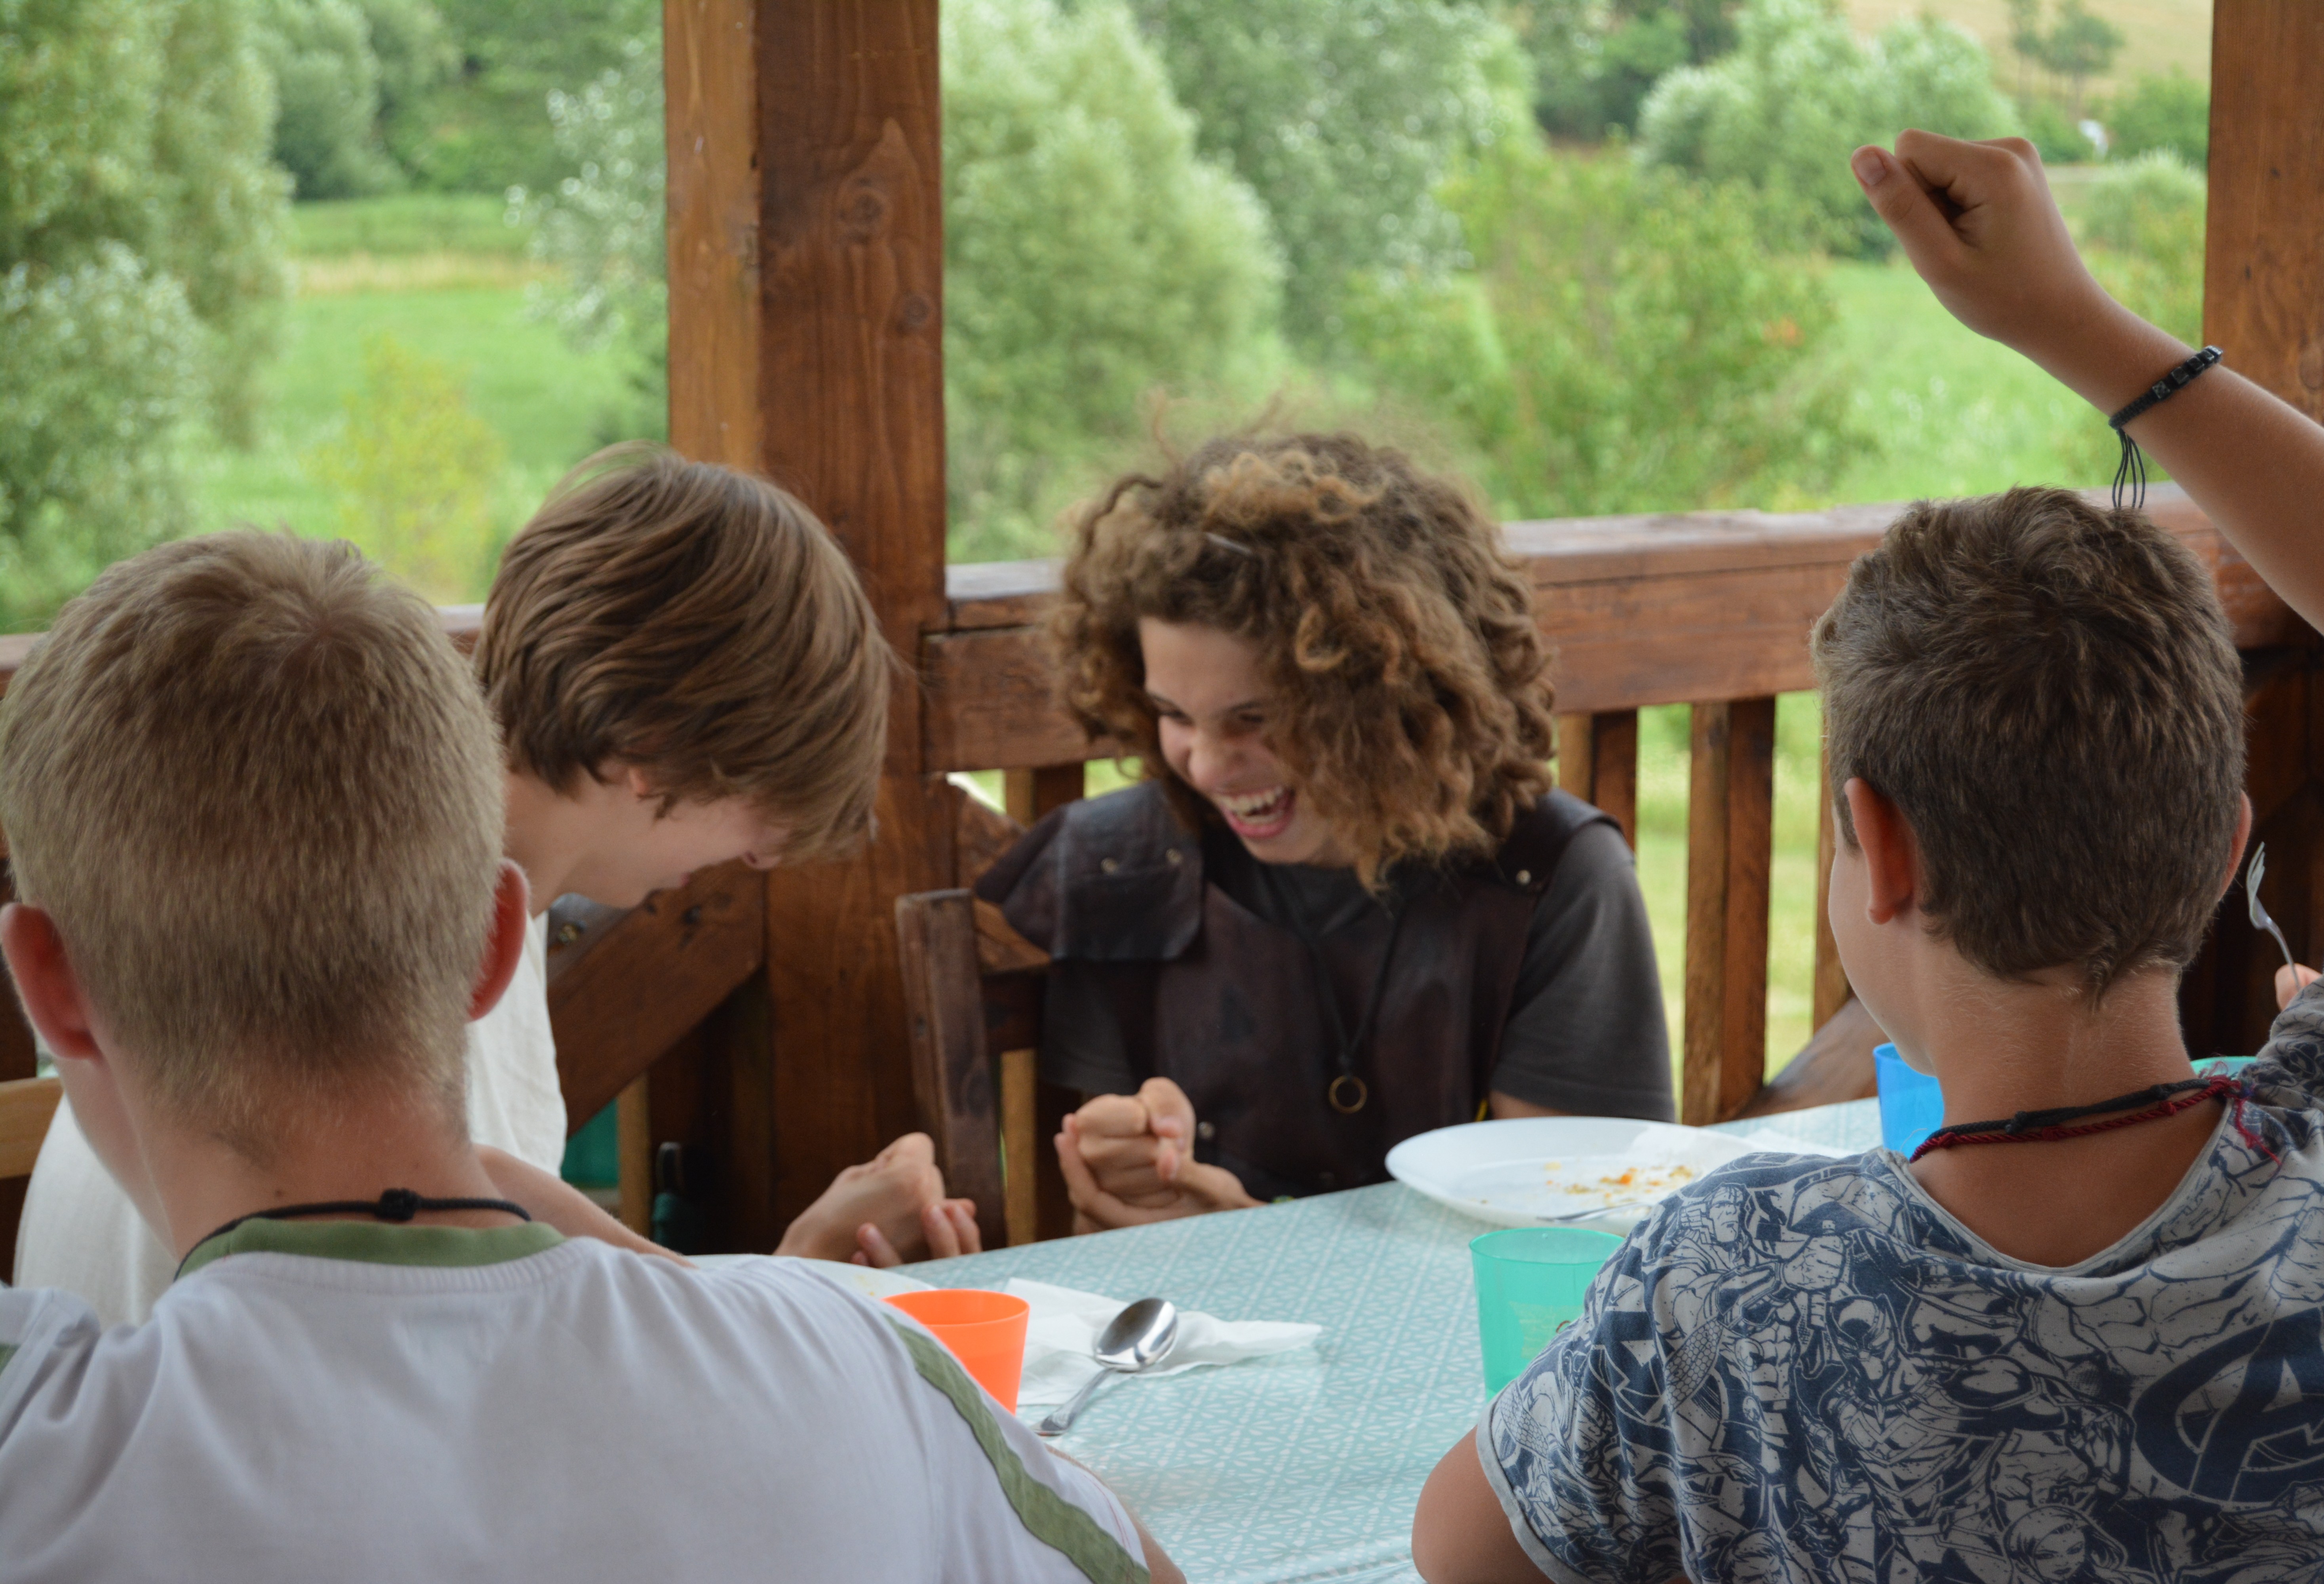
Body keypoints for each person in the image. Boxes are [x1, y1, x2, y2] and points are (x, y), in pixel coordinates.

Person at [1411, 129, 2324, 1583]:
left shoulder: (1725, 1286)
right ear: (2219, 847)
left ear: (1878, 847)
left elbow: (1462, 1554)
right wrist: (2079, 325)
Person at [0, 533, 1176, 1583]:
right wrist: (779, 1310)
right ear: (496, 942)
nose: (763, 863)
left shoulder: (53, 1445)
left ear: (50, 987)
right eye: (760, 815)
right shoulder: (860, 1374)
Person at [14, 447, 977, 1326]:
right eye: (764, 806)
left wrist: (791, 1268)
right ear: (651, 753)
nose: (764, 857)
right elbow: (485, 1365)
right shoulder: (412, 963)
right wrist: (804, 1286)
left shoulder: (340, 882)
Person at [975, 433, 1672, 1229]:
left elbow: (1572, 1241)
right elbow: (1100, 1244)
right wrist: (1131, 1169)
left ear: (1384, 699)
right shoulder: (1113, 866)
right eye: (1173, 714)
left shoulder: (1549, 875)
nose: (1205, 765)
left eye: (1256, 718)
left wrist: (1255, 1233)